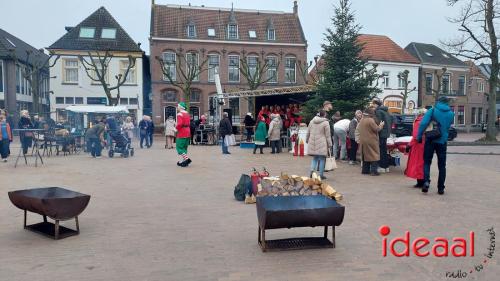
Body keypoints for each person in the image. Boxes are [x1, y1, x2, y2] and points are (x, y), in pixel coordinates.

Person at [416, 96, 455, 195]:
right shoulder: (451, 113)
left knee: (427, 162)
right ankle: (441, 188)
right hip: (442, 141)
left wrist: (419, 135)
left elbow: (423, 123)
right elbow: (447, 126)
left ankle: (426, 182)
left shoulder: (432, 110)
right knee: (442, 165)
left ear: (439, 101)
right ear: (447, 103)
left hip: (430, 140)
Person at [358, 107, 385, 176]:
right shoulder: (370, 120)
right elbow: (377, 129)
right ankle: (374, 171)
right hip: (371, 140)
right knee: (374, 155)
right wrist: (381, 125)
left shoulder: (362, 120)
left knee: (366, 155)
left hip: (363, 140)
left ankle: (365, 170)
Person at [306, 110, 332, 180]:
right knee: (322, 159)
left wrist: (307, 140)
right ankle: (321, 175)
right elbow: (328, 135)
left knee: (315, 158)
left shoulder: (311, 121)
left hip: (313, 141)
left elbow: (308, 132)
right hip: (321, 142)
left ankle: (312, 171)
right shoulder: (326, 122)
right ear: (324, 115)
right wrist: (330, 144)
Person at [405, 108, 427, 188]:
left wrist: (409, 145)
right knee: (424, 163)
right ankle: (425, 180)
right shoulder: (427, 121)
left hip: (418, 146)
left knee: (418, 163)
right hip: (425, 144)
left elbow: (415, 136)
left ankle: (420, 182)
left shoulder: (418, 122)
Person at [372, 98, 392, 173]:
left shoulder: (378, 111)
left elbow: (378, 122)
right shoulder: (386, 111)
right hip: (386, 133)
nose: (373, 106)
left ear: (376, 104)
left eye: (373, 104)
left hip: (381, 133)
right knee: (384, 150)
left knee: (381, 150)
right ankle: (386, 167)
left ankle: (382, 167)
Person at [175, 102, 192, 167]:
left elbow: (179, 124)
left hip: (182, 131)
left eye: (178, 106)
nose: (177, 107)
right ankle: (184, 161)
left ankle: (187, 159)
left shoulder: (179, 114)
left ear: (181, 107)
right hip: (188, 131)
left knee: (179, 147)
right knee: (185, 147)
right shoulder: (187, 114)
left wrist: (176, 129)